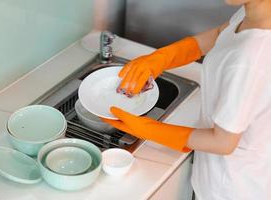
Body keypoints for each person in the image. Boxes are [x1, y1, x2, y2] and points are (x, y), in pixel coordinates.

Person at [102, 0, 271, 199]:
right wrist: (162, 57)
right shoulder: (255, 14)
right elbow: (220, 35)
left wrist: (146, 129)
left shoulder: (251, 57)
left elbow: (223, 142)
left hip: (231, 188)